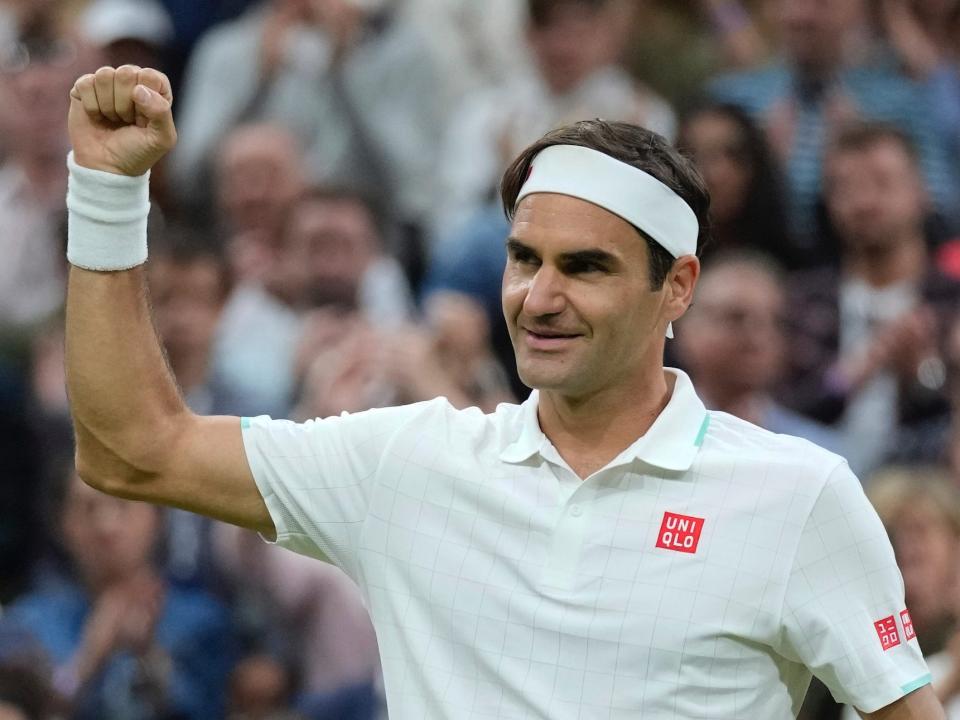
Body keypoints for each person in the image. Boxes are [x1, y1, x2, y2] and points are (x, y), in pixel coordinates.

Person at [63, 65, 943, 718]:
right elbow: (132, 448)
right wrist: (107, 192)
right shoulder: (409, 463)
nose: (539, 297)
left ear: (676, 286)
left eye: (584, 267)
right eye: (525, 259)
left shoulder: (799, 494)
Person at [709, 0, 960, 251]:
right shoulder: (734, 102)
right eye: (788, 2)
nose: (800, 15)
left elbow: (940, 205)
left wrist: (865, 162)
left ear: (856, 9)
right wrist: (764, 170)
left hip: (865, 262)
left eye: (821, 4)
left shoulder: (899, 101)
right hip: (760, 261)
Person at [783, 121, 960, 475]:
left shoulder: (953, 300)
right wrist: (855, 372)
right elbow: (780, 410)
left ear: (921, 191)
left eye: (882, 183)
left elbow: (946, 412)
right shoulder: (800, 300)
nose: (864, 202)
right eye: (845, 188)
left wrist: (922, 376)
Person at [1, 469, 235, 720]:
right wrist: (89, 658)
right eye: (88, 508)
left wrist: (148, 656)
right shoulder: (29, 624)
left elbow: (208, 709)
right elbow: (27, 709)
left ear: (158, 517)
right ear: (61, 524)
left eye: (123, 505)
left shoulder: (203, 621)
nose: (106, 526)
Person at [673, 251, 842, 452]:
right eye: (735, 318)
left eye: (776, 321)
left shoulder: (818, 453)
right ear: (685, 329)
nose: (758, 338)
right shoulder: (650, 436)